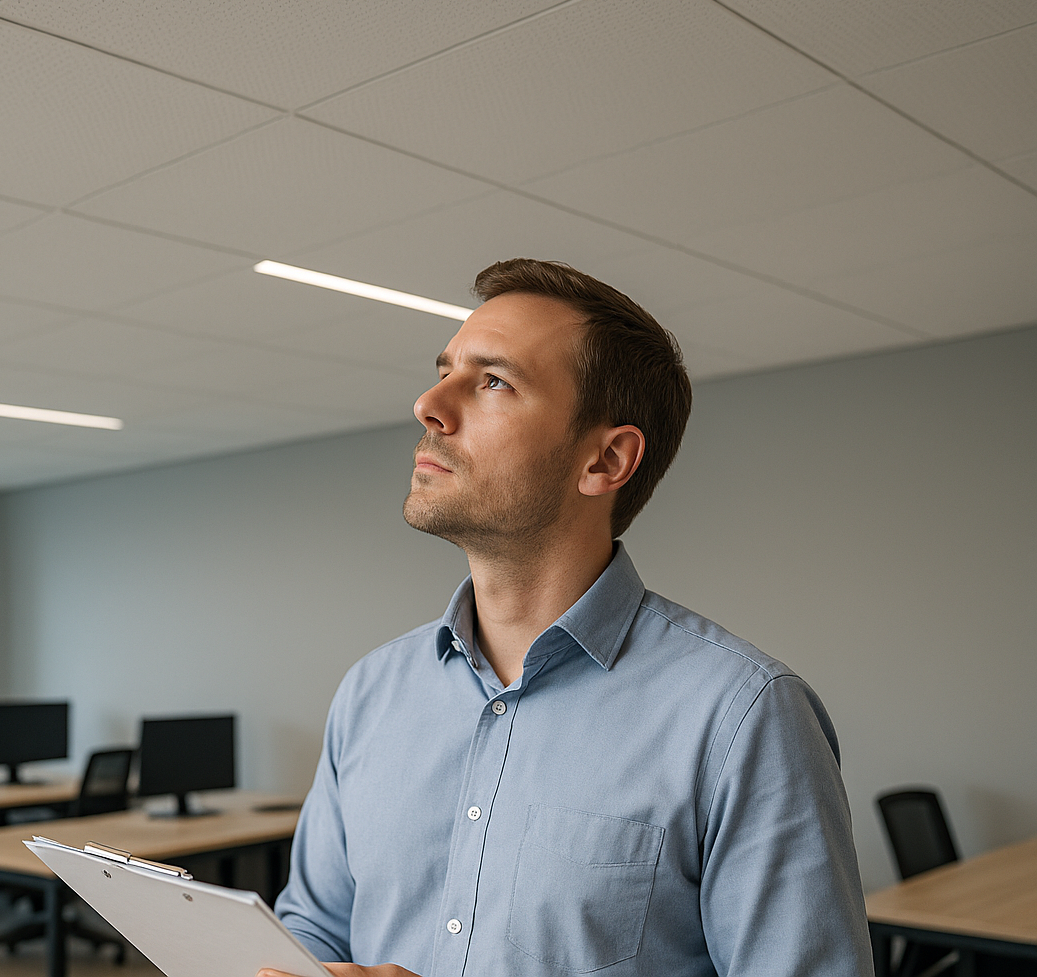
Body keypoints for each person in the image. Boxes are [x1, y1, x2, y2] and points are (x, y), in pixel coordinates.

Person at [266, 260, 872, 977]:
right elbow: (313, 930)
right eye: (445, 371)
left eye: (494, 382)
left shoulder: (744, 717)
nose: (429, 404)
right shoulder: (370, 693)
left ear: (606, 460)